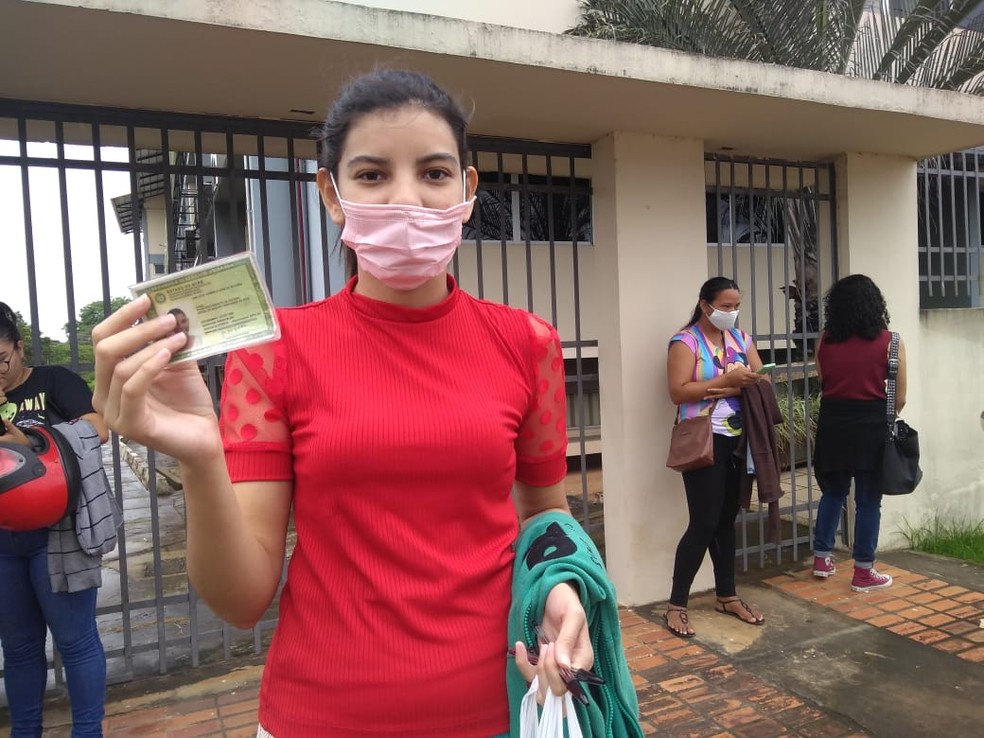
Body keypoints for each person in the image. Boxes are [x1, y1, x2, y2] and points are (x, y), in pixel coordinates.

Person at [90, 70, 596, 738]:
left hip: (502, 707)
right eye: (372, 174)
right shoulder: (273, 352)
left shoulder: (529, 343)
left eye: (435, 173)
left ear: (468, 191)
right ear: (331, 193)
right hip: (318, 716)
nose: (407, 198)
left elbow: (545, 514)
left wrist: (560, 586)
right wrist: (202, 459)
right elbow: (241, 601)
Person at [0, 301, 111, 738]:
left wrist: (30, 440)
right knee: (18, 647)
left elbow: (98, 427)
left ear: (19, 348)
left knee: (75, 640)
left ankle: (87, 732)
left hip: (58, 535)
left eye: (1, 359)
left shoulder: (54, 382)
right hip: (4, 542)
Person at [664, 277, 770, 638]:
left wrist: (751, 380)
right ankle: (677, 604)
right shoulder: (686, 342)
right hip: (703, 439)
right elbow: (678, 391)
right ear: (705, 305)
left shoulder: (741, 339)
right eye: (725, 306)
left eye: (736, 306)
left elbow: (761, 378)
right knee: (704, 521)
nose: (732, 312)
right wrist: (725, 384)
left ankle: (727, 595)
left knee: (727, 520)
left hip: (739, 439)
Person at [811, 274, 903, 592]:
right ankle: (863, 571)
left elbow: (824, 382)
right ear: (876, 305)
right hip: (871, 427)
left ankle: (821, 558)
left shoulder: (823, 341)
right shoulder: (891, 341)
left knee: (833, 492)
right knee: (868, 501)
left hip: (833, 423)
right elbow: (900, 396)